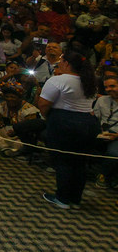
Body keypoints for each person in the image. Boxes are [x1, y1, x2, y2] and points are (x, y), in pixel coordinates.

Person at [37, 52, 101, 209]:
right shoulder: (90, 81)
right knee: (80, 162)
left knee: (64, 161)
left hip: (65, 122)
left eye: (61, 61)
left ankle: (63, 198)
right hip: (88, 123)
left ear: (66, 63)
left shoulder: (58, 80)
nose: (59, 63)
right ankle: (75, 199)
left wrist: (49, 118)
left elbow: (44, 104)